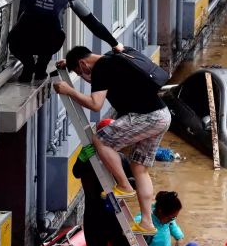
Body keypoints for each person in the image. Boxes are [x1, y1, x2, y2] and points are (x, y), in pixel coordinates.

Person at [54, 45, 172, 235]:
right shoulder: (112, 57)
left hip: (147, 117)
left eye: (79, 71)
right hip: (162, 114)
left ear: (83, 63)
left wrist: (69, 91)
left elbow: (95, 104)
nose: (83, 76)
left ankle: (124, 185)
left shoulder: (101, 69)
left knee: (100, 140)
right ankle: (147, 223)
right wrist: (70, 64)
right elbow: (90, 72)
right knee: (139, 167)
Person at [72, 118, 140, 246]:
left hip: (115, 216)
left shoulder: (120, 158)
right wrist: (81, 159)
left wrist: (125, 182)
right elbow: (76, 172)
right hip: (93, 217)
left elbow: (132, 183)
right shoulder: (89, 157)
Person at [137, 191, 204, 246]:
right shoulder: (142, 222)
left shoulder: (167, 219)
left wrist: (179, 240)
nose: (172, 220)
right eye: (172, 217)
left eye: (175, 217)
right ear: (161, 211)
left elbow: (174, 226)